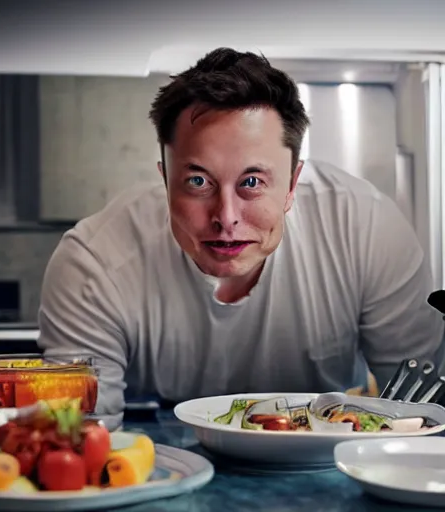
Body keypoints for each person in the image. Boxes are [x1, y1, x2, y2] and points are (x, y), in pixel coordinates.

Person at [37, 47, 444, 430]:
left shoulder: (366, 227)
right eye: (198, 181)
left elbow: (423, 414)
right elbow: (81, 439)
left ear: (291, 186)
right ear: (165, 180)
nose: (225, 217)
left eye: (252, 182)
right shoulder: (93, 263)